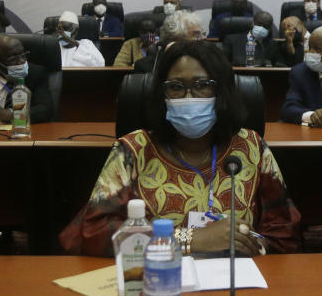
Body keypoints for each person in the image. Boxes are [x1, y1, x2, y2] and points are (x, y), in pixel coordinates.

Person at [59, 41, 301, 256]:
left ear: (222, 91)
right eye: (175, 87)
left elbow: (284, 233)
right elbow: (95, 231)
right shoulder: (133, 149)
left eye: (202, 85)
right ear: (162, 95)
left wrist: (240, 243)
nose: (188, 96)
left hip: (235, 284)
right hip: (157, 281)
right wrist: (190, 239)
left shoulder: (251, 147)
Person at [0, 35, 53, 123]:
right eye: (13, 58)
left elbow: (45, 110)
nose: (21, 61)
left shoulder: (36, 73)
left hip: (24, 131)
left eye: (23, 55)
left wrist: (10, 115)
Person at [133, 10, 205, 72]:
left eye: (203, 33)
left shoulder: (207, 61)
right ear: (176, 39)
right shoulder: (146, 67)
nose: (203, 38)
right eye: (197, 35)